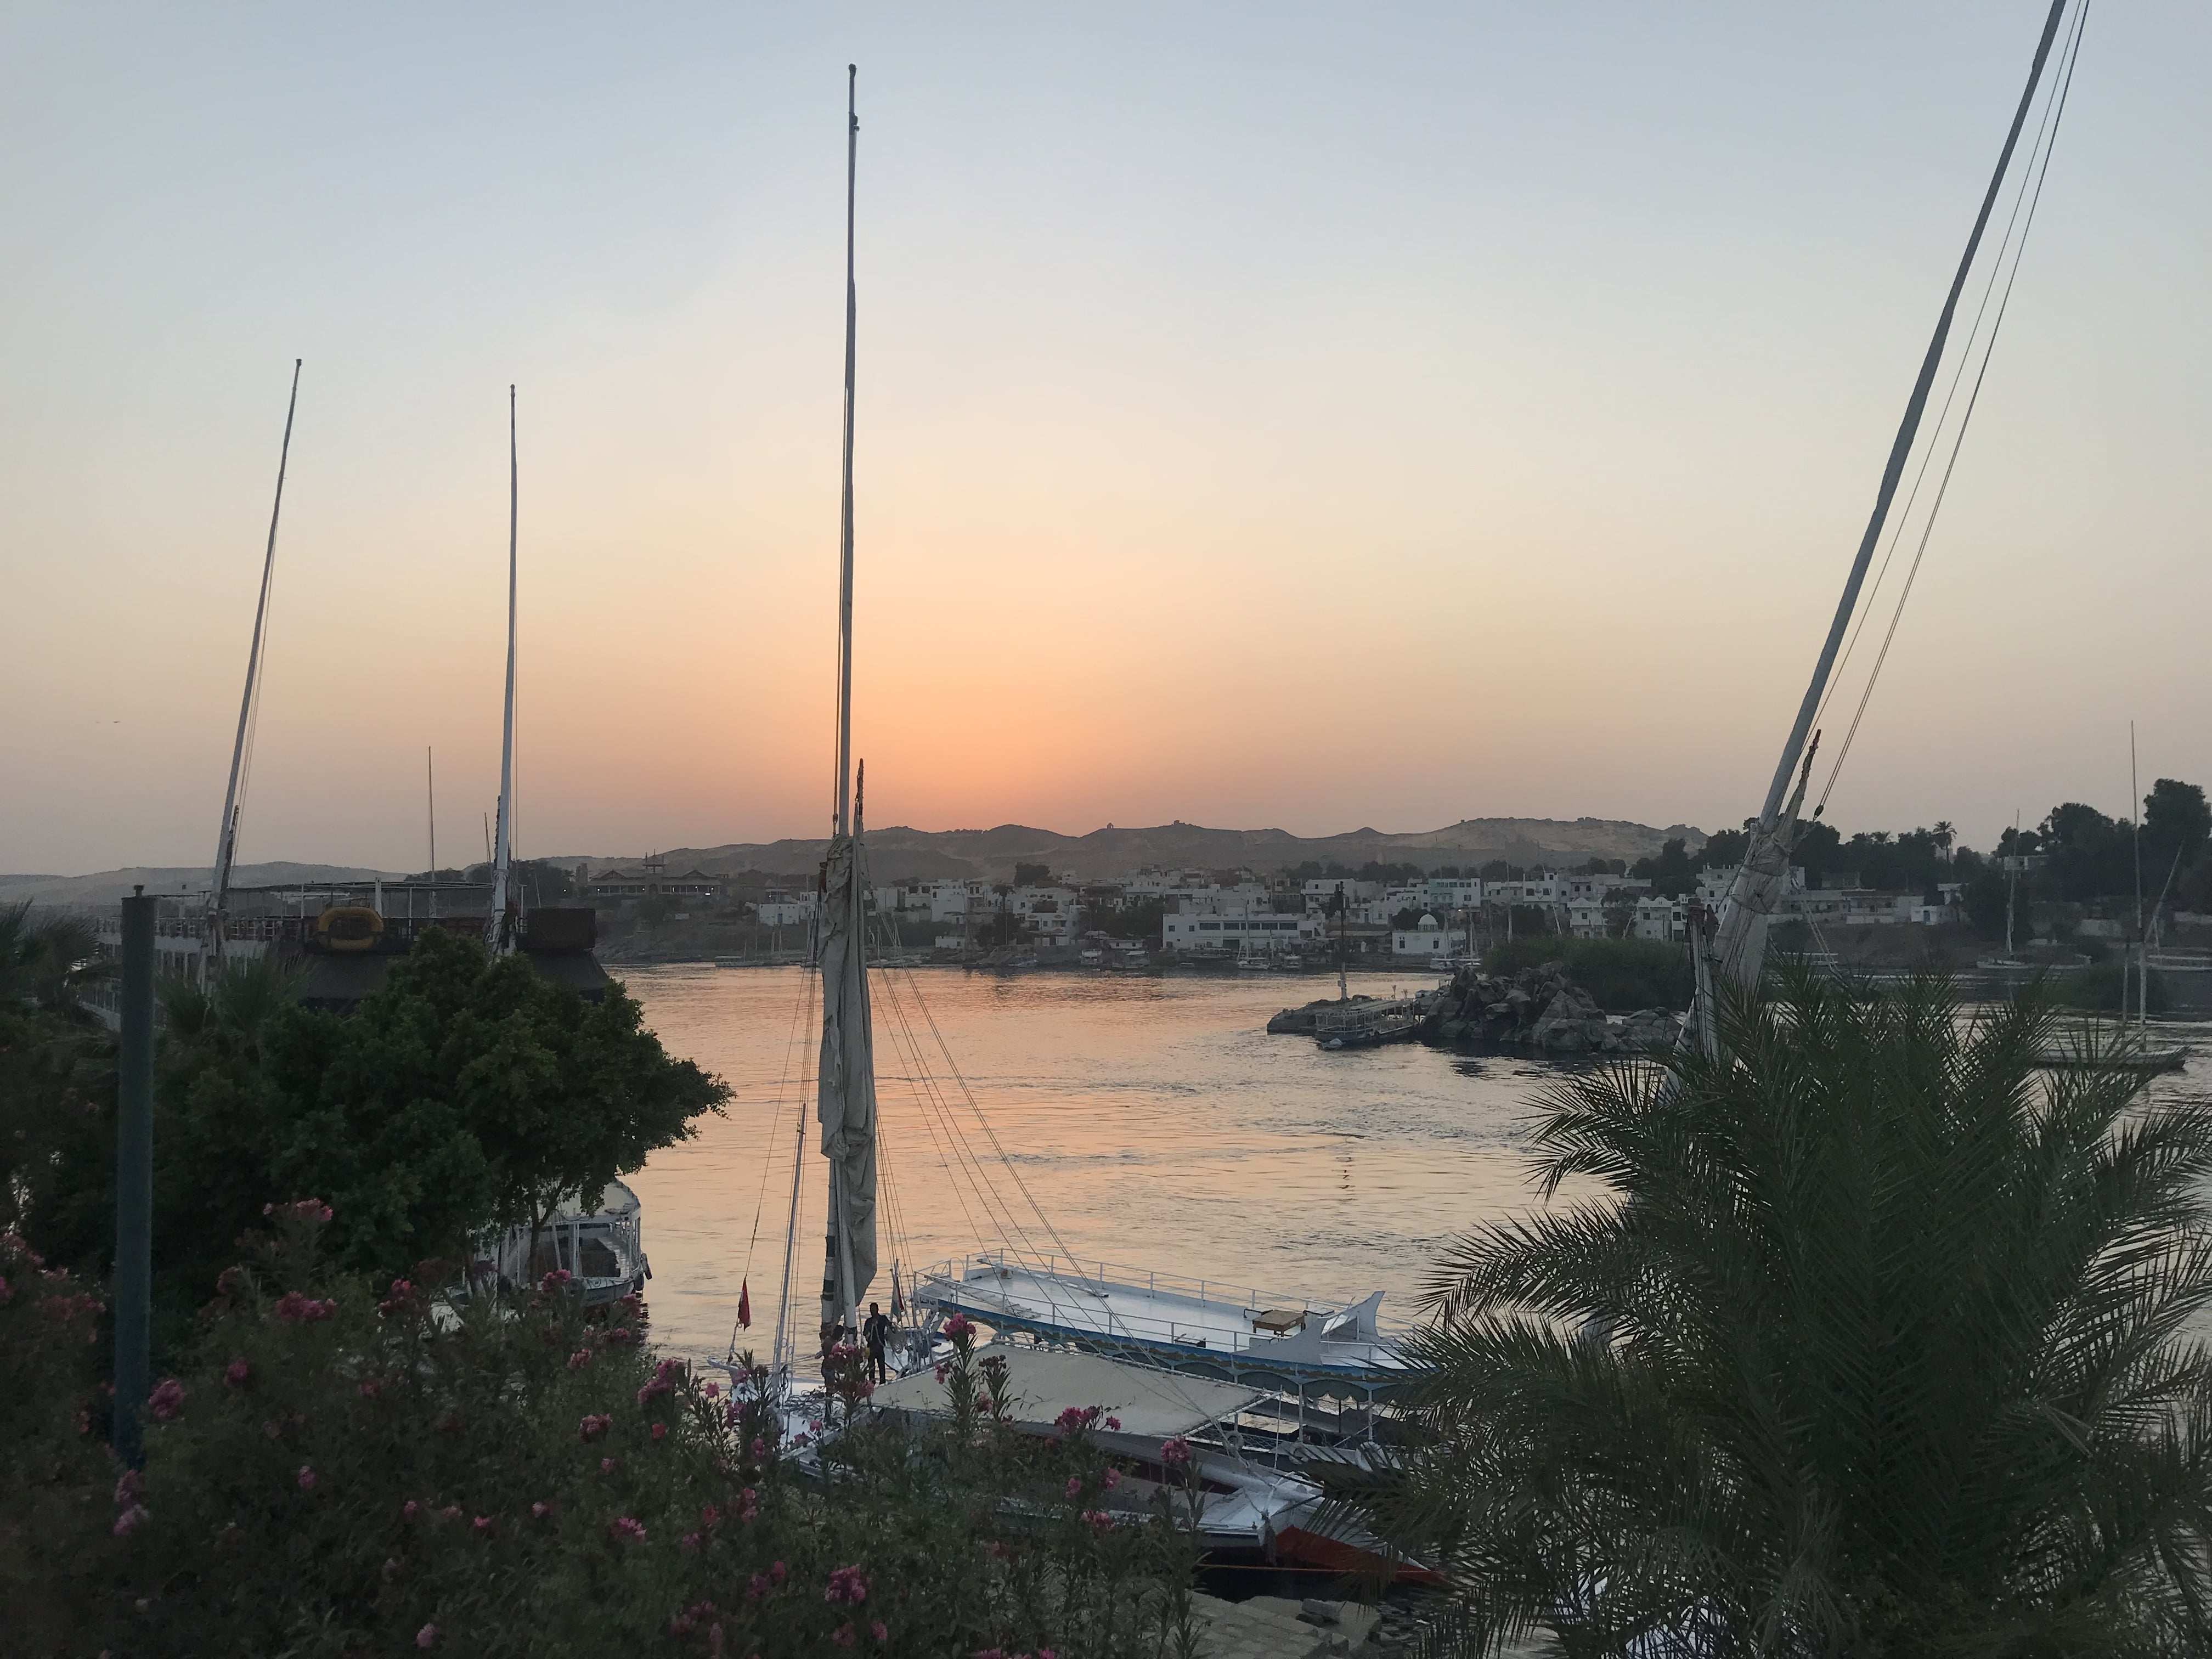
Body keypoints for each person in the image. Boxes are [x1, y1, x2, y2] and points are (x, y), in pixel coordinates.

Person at [861, 1301, 894, 1384]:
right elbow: (865, 1333)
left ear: (878, 1310)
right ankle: (872, 1384)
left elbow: (891, 1327)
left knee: (881, 1366)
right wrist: (870, 1328)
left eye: (874, 1310)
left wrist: (890, 1332)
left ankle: (883, 1382)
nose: (872, 1312)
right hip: (871, 1347)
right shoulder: (869, 1321)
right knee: (871, 1368)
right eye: (871, 1310)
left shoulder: (883, 1319)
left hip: (880, 1346)